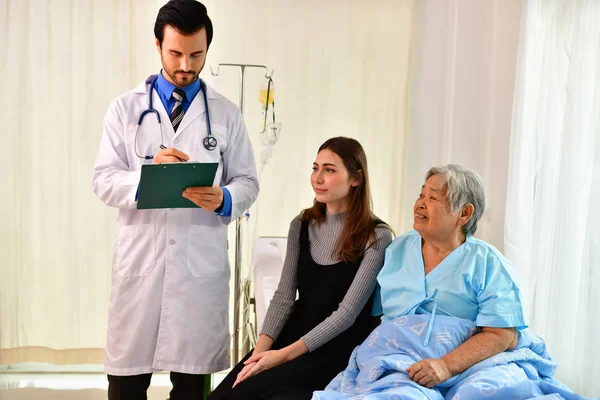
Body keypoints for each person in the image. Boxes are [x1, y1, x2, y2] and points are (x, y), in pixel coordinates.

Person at [91, 1, 259, 399]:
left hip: (196, 270)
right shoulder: (126, 109)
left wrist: (224, 198)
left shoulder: (226, 115)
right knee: (127, 386)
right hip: (141, 268)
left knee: (191, 387)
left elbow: (248, 180)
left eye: (196, 54)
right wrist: (150, 178)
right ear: (158, 45)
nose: (186, 64)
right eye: (176, 53)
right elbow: (103, 179)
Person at [313, 165, 590, 399]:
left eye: (433, 198)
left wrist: (446, 366)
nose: (420, 203)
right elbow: (378, 319)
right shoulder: (396, 251)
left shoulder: (488, 263)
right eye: (421, 194)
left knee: (493, 391)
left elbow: (501, 334)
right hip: (402, 360)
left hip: (475, 363)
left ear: (464, 214)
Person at [208, 137, 393, 400]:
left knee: (248, 394)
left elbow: (347, 315)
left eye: (329, 170)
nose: (317, 178)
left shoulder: (377, 236)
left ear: (356, 179)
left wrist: (279, 357)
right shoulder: (302, 224)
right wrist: (259, 355)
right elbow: (284, 297)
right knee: (226, 392)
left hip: (335, 347)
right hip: (293, 334)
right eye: (315, 168)